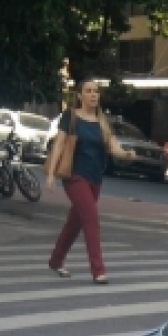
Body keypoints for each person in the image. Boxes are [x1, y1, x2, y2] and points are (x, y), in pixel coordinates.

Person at [45, 79, 132, 284]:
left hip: (95, 179)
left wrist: (126, 154)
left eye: (96, 91)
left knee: (75, 222)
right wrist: (50, 174)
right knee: (91, 219)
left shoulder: (102, 121)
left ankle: (56, 260)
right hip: (75, 177)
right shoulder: (71, 117)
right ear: (80, 95)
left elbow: (114, 147)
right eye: (89, 91)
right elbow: (59, 144)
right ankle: (98, 270)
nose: (93, 95)